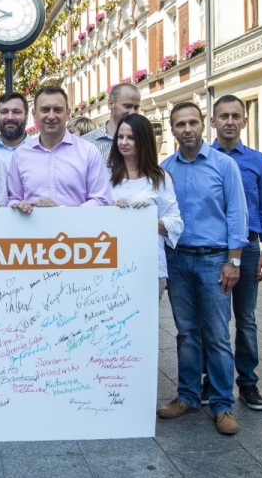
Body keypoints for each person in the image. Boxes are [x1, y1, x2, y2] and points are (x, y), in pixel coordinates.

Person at [157, 101, 248, 436]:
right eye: (180, 124)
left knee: (217, 334)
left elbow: (237, 214)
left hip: (213, 260)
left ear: (202, 125)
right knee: (186, 333)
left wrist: (233, 261)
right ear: (172, 129)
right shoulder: (165, 170)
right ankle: (188, 396)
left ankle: (223, 404)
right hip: (178, 259)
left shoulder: (224, 165)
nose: (187, 129)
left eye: (192, 123)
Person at [210, 94, 262, 411]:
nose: (230, 121)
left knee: (246, 318)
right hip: (214, 248)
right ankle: (212, 380)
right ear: (213, 121)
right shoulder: (203, 158)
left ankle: (248, 382)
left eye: (235, 116)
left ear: (244, 121)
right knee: (214, 320)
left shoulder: (258, 161)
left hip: (250, 247)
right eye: (224, 116)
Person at [108, 114, 183, 300]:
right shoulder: (106, 174)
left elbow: (176, 223)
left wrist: (147, 219)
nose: (123, 142)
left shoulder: (159, 177)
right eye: (120, 137)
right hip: (111, 264)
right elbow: (94, 216)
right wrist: (111, 211)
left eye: (131, 138)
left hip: (148, 264)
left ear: (144, 140)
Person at [7, 86, 111, 212]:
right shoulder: (21, 155)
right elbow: (12, 199)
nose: (51, 116)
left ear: (67, 113)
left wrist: (62, 211)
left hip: (76, 225)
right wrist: (19, 205)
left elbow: (101, 200)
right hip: (31, 225)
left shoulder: (88, 152)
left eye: (57, 110)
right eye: (45, 110)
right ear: (34, 114)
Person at [83, 83, 141, 161]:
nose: (132, 112)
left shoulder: (142, 140)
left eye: (136, 108)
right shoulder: (86, 143)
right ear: (111, 103)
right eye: (127, 106)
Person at [0, 92, 28, 166]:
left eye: (16, 112)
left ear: (26, 117)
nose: (10, 117)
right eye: (4, 112)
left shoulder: (40, 152)